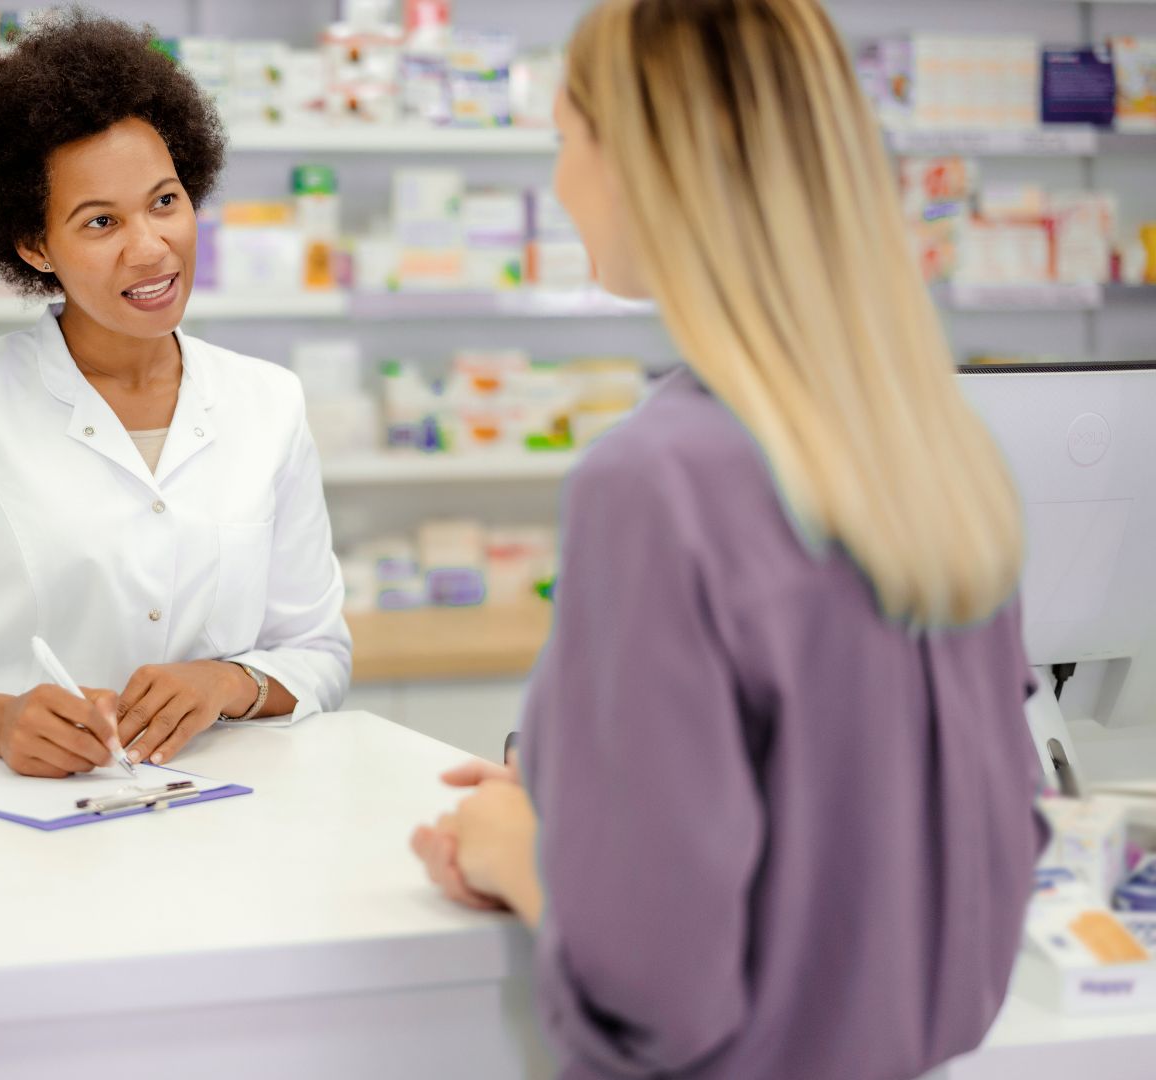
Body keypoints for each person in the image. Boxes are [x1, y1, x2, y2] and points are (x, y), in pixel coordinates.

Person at [410, 1, 1044, 1077]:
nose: (563, 185)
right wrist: (590, 787)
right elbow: (937, 843)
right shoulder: (936, 453)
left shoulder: (655, 482)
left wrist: (523, 852)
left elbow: (657, 992)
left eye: (568, 138)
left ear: (646, 164)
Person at [0, 10, 351, 778]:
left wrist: (228, 683)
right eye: (100, 221)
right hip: (22, 825)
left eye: (165, 201)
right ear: (35, 246)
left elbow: (319, 650)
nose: (150, 246)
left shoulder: (269, 403)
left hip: (226, 819)